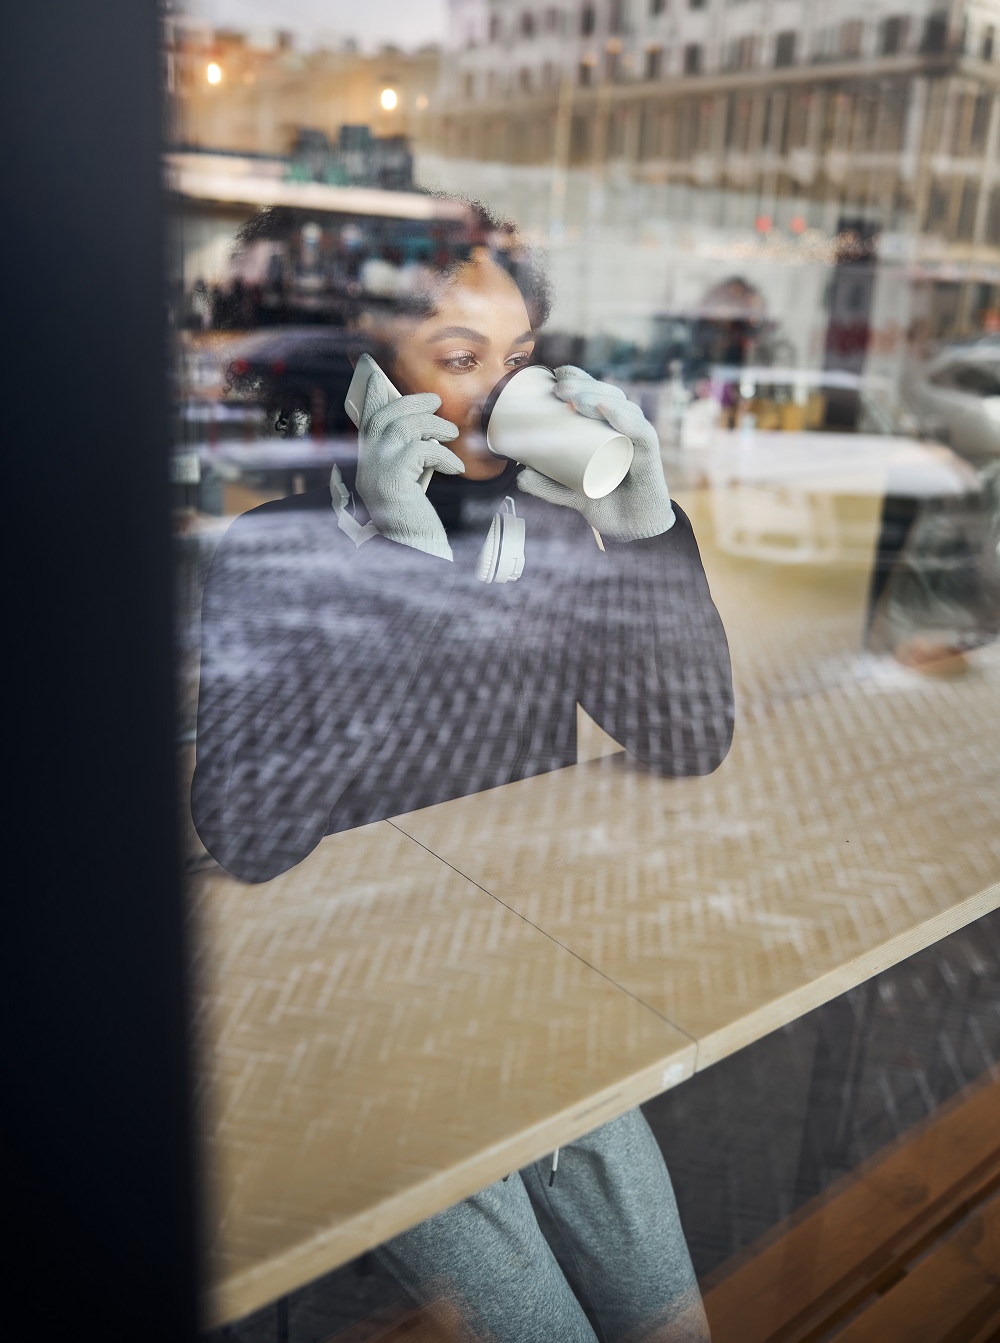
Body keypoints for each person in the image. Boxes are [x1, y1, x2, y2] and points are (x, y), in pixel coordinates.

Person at [192, 210, 734, 1342]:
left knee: (667, 1311)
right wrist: (392, 573)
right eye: (459, 359)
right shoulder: (274, 554)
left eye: (520, 360)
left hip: (526, 986)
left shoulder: (541, 538)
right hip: (363, 1023)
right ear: (364, 383)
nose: (498, 396)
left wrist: (642, 529)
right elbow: (249, 829)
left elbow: (687, 734)